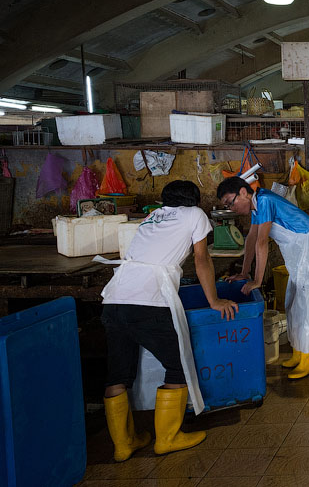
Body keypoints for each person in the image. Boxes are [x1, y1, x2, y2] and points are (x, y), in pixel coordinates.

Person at [100, 180, 238, 462]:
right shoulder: (195, 215)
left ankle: (123, 445)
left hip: (114, 299)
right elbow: (202, 260)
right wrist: (214, 301)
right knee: (178, 367)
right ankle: (168, 438)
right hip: (148, 300)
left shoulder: (154, 215)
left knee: (117, 375)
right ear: (195, 199)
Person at [217, 176, 309, 380]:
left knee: (306, 305)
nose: (231, 208)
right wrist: (244, 273)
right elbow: (251, 238)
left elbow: (262, 242)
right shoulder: (257, 205)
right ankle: (299, 353)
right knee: (293, 303)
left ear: (243, 192)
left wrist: (257, 281)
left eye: (230, 202)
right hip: (302, 256)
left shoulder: (265, 201)